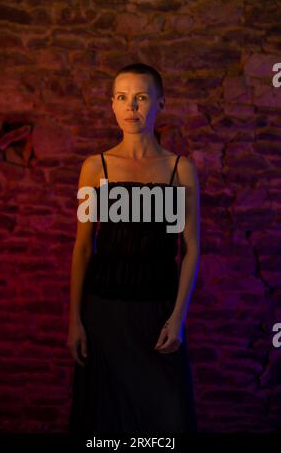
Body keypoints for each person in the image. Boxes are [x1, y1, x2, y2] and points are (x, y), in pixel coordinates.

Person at [67, 63, 200, 433]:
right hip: (104, 311)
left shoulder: (180, 169)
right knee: (106, 420)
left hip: (158, 309)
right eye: (123, 98)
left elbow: (190, 247)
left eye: (141, 98)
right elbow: (82, 248)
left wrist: (178, 317)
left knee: (168, 417)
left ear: (160, 103)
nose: (132, 107)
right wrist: (75, 320)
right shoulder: (96, 168)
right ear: (112, 105)